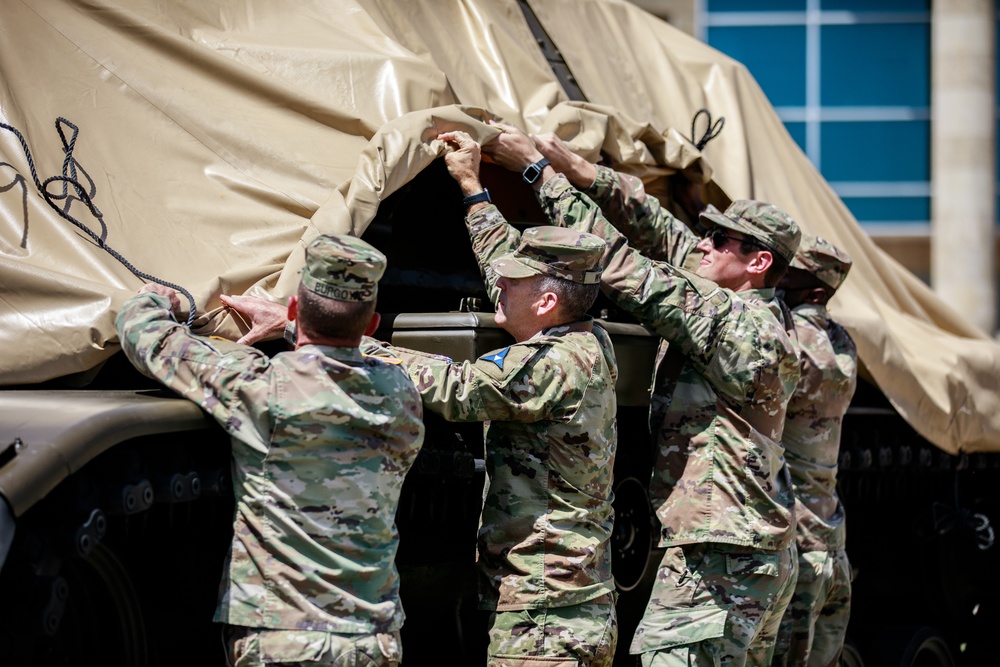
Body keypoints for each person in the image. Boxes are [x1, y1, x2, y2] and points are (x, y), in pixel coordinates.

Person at [224, 131, 621, 667]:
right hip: (560, 599)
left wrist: (318, 331)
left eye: (516, 282)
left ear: (548, 301)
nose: (498, 285)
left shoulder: (552, 364)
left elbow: (456, 388)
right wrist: (472, 187)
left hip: (549, 615)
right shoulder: (584, 337)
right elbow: (507, 262)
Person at [483, 125, 802, 666]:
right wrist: (587, 174)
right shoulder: (754, 313)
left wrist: (537, 172)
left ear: (758, 263)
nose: (702, 243)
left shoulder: (737, 324)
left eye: (721, 241)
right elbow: (664, 233)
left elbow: (618, 264)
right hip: (745, 553)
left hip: (717, 561)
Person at [115, 234, 425, 667]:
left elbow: (153, 342)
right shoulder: (402, 395)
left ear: (294, 310)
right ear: (372, 326)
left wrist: (151, 302)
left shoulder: (263, 386)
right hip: (373, 639)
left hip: (284, 638)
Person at [771, 233, 856, 667]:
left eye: (790, 273)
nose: (777, 276)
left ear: (816, 291)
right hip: (828, 537)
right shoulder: (841, 341)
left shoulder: (794, 333)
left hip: (799, 539)